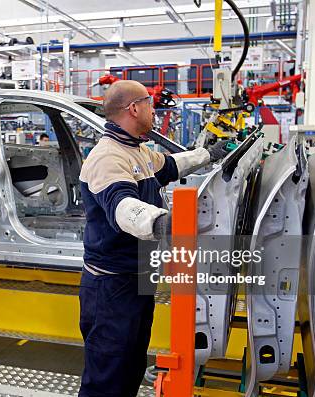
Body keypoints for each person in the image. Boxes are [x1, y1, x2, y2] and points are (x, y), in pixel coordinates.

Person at [78, 80, 229, 397]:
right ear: (133, 108)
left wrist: (211, 154)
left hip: (136, 279)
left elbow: (172, 164)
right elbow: (122, 206)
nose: (154, 110)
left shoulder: (137, 151)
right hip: (112, 287)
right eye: (149, 103)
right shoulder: (107, 158)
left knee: (130, 369)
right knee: (106, 377)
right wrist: (163, 223)